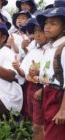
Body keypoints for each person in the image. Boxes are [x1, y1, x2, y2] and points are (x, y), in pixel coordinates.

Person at [12, 18, 47, 140]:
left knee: (39, 125)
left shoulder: (51, 51)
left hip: (42, 89)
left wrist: (43, 89)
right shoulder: (33, 51)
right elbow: (23, 74)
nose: (37, 34)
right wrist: (17, 68)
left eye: (41, 31)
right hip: (30, 88)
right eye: (35, 31)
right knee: (33, 119)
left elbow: (54, 78)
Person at [37, 7, 65, 139]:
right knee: (48, 131)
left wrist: (63, 110)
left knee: (55, 135)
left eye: (53, 24)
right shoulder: (49, 47)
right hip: (48, 93)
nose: (47, 27)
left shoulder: (63, 48)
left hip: (59, 96)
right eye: (46, 23)